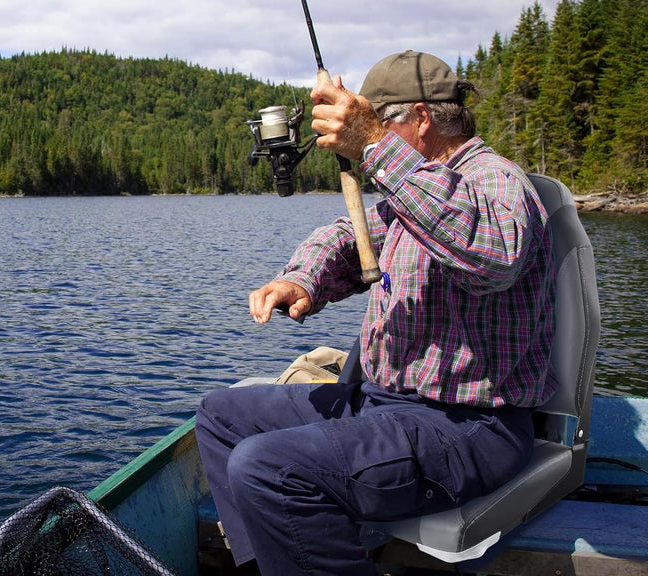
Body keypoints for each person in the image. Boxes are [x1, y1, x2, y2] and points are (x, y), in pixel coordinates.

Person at [195, 50, 557, 576]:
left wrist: (370, 144)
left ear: (422, 117)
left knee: (267, 467)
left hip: (469, 427)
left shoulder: (495, 180)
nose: (372, 138)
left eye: (382, 122)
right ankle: (268, 566)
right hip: (379, 405)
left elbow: (493, 255)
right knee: (221, 414)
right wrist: (301, 278)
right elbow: (350, 239)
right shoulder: (416, 190)